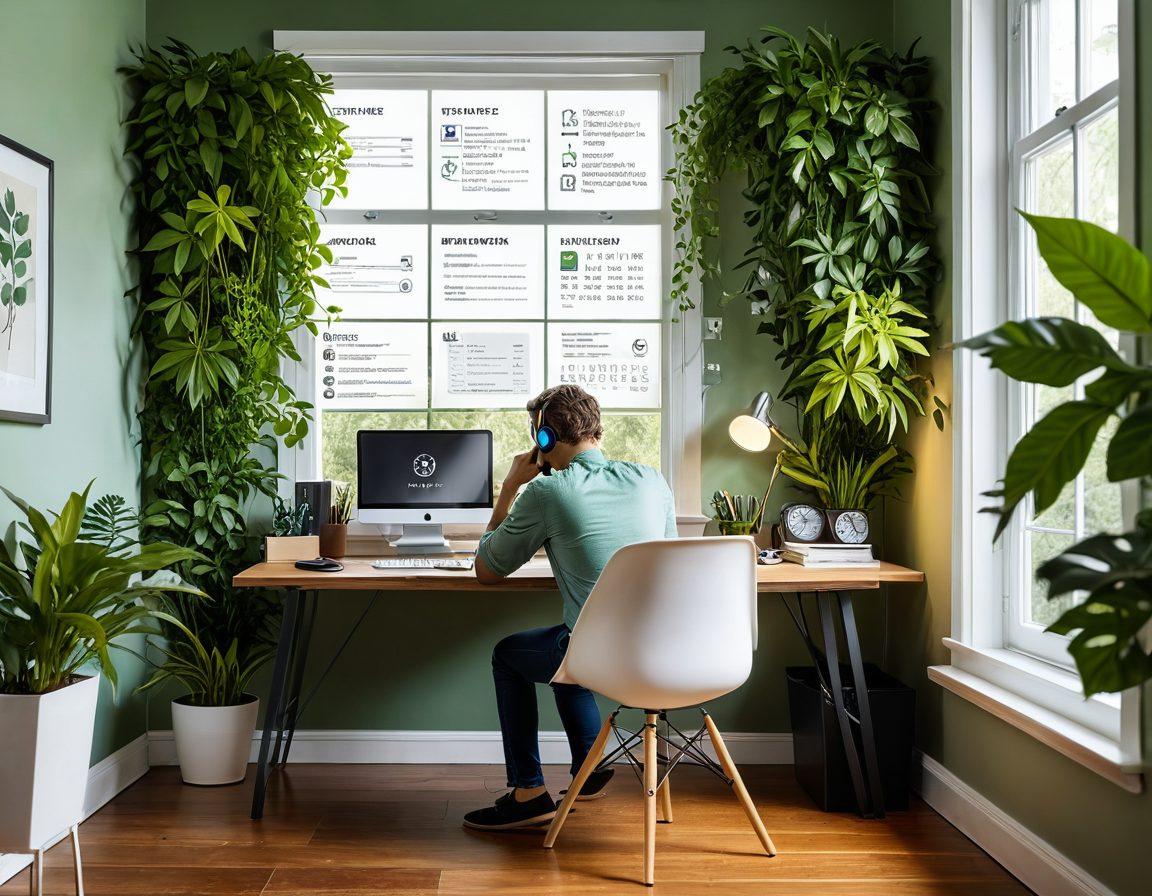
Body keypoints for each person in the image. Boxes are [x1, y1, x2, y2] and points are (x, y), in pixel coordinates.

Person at [462, 384, 677, 831]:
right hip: (665, 651)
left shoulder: (548, 492)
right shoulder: (652, 480)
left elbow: (486, 568)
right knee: (567, 638)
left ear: (544, 440)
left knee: (514, 655)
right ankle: (589, 766)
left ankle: (529, 792)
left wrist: (508, 488)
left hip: (598, 656)